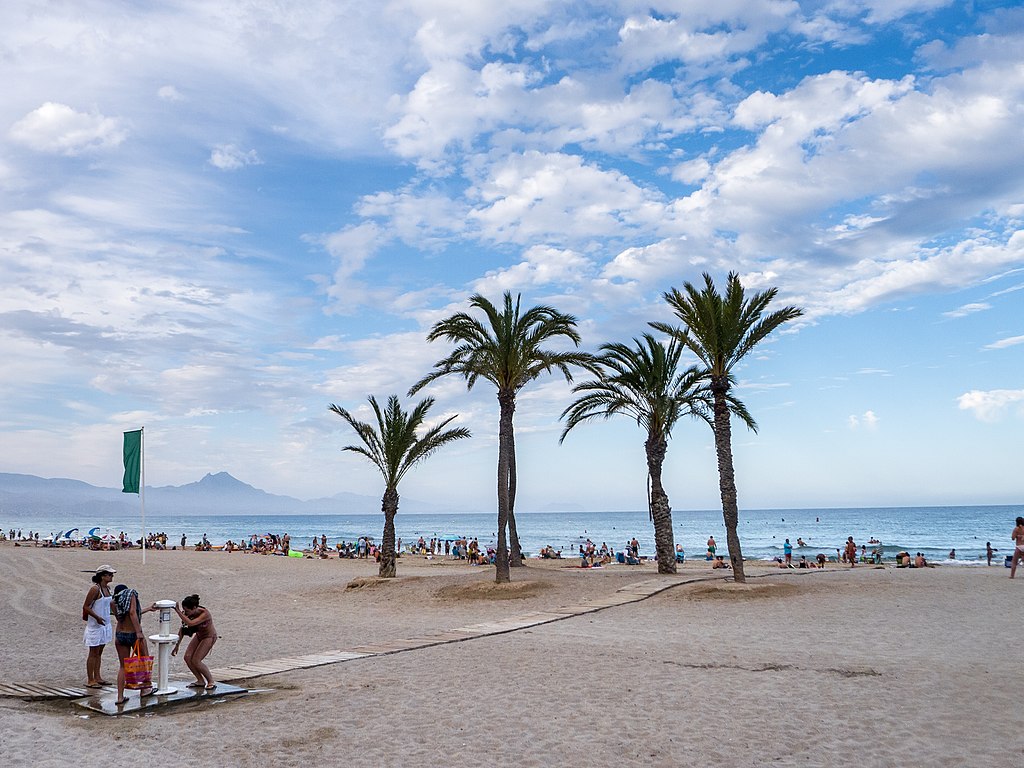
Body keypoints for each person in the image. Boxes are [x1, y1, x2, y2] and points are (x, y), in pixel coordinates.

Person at [112, 583, 157, 705]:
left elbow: (122, 616)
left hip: (120, 634)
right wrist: (139, 632)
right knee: (144, 661)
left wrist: (148, 609)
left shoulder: (114, 602)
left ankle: (120, 697)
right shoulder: (130, 595)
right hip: (133, 633)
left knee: (122, 666)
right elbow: (132, 613)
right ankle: (145, 690)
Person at [172, 594, 218, 690]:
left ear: (194, 608)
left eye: (187, 611)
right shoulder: (186, 614)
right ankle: (200, 680)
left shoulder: (205, 613)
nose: (186, 613)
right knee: (187, 657)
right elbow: (183, 629)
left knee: (196, 661)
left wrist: (178, 611)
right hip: (199, 636)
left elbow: (191, 623)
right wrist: (177, 645)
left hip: (209, 637)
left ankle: (210, 681)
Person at [82, 565, 116, 688]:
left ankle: (97, 676)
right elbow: (86, 606)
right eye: (110, 574)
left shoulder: (107, 588)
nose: (112, 576)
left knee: (99, 653)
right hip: (95, 625)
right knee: (93, 652)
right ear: (102, 576)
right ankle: (90, 679)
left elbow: (109, 605)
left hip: (104, 624)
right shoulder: (95, 590)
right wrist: (96, 617)